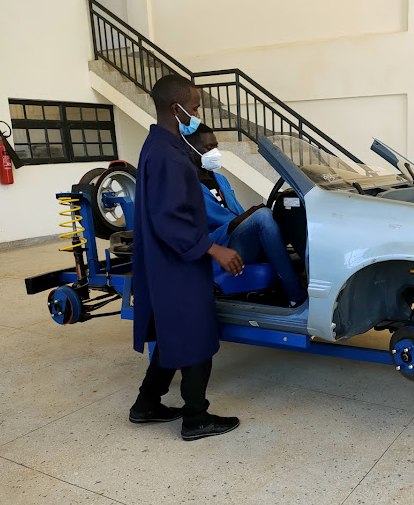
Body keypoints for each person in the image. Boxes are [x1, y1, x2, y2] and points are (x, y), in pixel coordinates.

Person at [128, 74, 244, 441]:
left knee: (172, 333)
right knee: (197, 336)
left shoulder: (163, 147)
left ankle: (146, 405)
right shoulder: (166, 155)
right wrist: (214, 248)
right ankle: (196, 418)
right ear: (175, 108)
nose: (196, 114)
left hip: (170, 260)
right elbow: (170, 219)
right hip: (176, 262)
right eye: (193, 107)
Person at [183, 123, 307, 307]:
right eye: (209, 148)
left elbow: (238, 215)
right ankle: (296, 297)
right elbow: (204, 235)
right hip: (220, 250)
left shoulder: (220, 179)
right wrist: (252, 214)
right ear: (190, 150)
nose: (215, 152)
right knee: (263, 216)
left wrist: (252, 215)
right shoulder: (186, 188)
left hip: (238, 240)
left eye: (216, 146)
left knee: (287, 213)